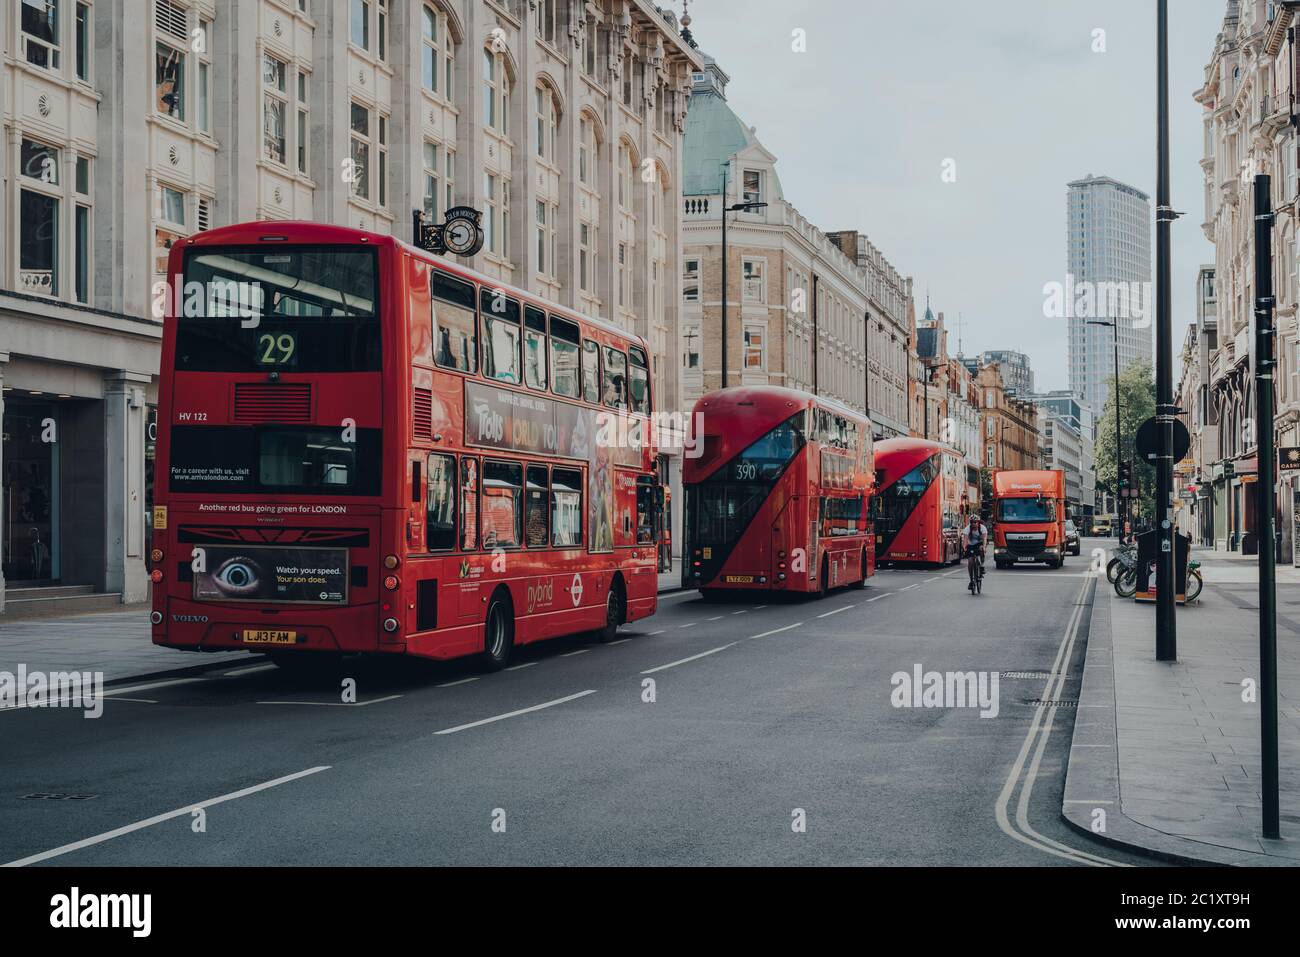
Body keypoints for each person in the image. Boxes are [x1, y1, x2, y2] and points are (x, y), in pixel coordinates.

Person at [963, 515, 988, 590]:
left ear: (978, 522)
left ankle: (982, 566)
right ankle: (971, 581)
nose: (973, 524)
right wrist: (964, 548)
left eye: (975, 522)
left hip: (980, 543)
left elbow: (984, 539)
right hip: (971, 545)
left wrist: (984, 547)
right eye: (971, 522)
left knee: (981, 549)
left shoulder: (982, 528)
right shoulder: (967, 529)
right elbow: (965, 540)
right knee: (970, 561)